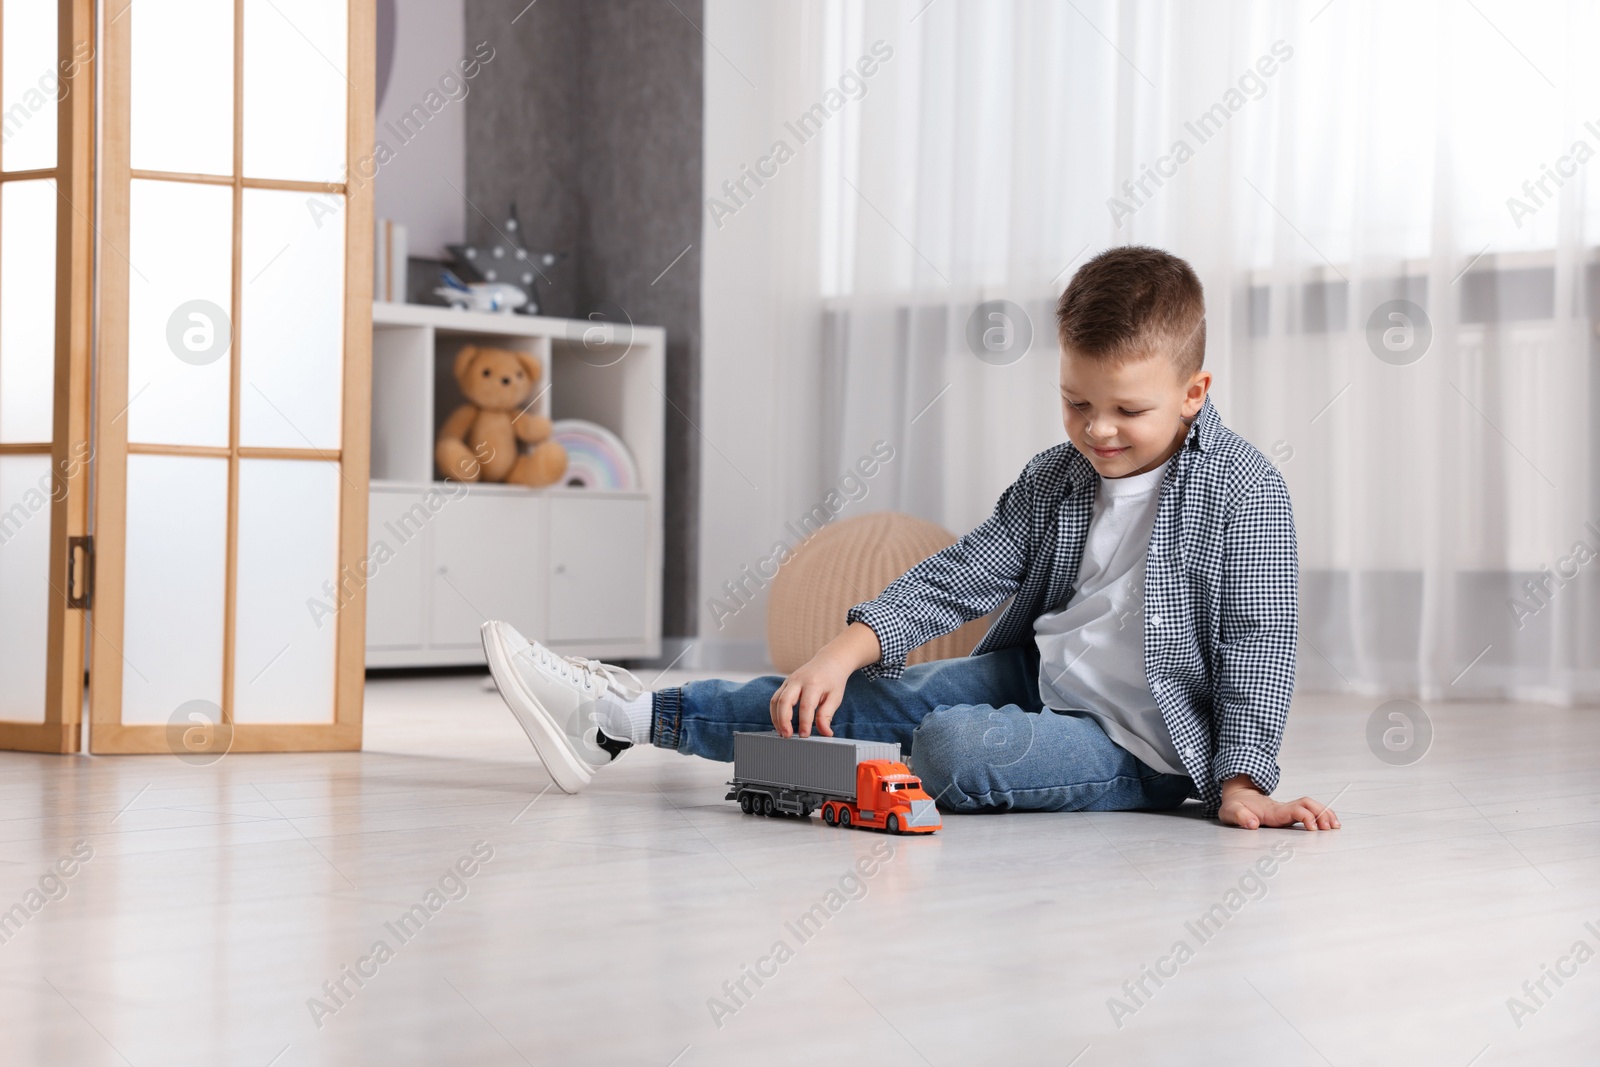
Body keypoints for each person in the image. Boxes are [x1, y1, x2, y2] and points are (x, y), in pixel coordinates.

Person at [481, 246, 1339, 831]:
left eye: (1129, 410)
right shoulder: (1058, 474)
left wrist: (1241, 785)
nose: (1099, 429)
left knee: (950, 745)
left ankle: (836, 759)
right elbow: (966, 570)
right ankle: (622, 717)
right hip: (1037, 680)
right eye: (1077, 402)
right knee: (843, 694)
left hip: (1138, 748)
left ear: (1194, 392)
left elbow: (1258, 645)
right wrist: (846, 649)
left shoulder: (1246, 493)